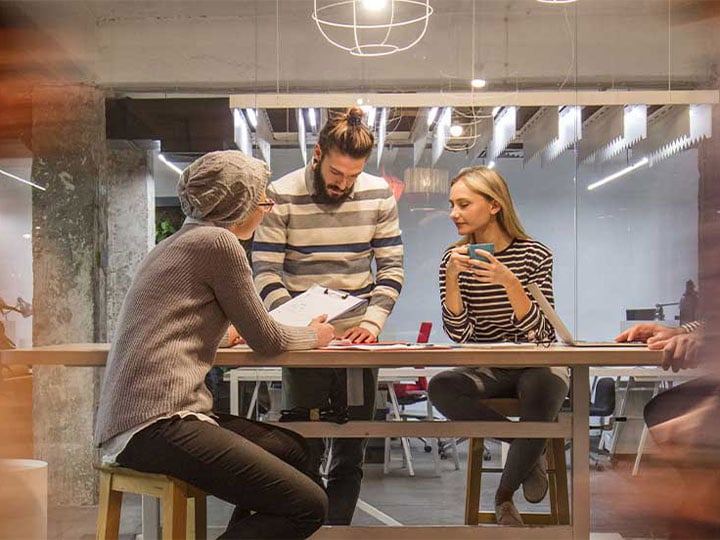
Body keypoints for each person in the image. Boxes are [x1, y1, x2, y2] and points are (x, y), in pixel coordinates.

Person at [94, 151, 336, 540]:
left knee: (294, 449)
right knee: (308, 506)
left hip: (141, 420)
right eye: (263, 201)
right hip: (155, 423)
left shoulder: (178, 242)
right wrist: (316, 335)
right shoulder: (218, 243)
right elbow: (270, 341)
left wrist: (221, 334)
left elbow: (173, 322)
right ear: (237, 203)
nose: (266, 211)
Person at [251, 107, 404, 525]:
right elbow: (265, 269)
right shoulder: (281, 193)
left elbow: (390, 270)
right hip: (303, 339)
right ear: (317, 153)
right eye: (337, 173)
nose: (344, 184)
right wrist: (299, 325)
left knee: (351, 451)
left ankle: (337, 533)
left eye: (353, 176)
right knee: (303, 447)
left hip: (357, 339)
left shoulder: (377, 194)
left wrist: (372, 322)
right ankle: (307, 531)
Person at [427, 166, 569, 526]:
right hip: (487, 366)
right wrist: (454, 280)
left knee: (546, 384)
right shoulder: (453, 259)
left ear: (494, 205)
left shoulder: (534, 255)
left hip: (534, 364)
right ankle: (528, 448)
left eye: (463, 204)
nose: (453, 213)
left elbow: (542, 334)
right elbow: (460, 335)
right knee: (442, 387)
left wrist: (510, 282)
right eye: (452, 204)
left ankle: (504, 497)